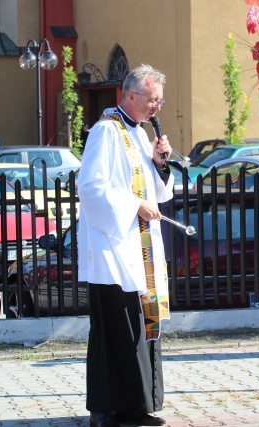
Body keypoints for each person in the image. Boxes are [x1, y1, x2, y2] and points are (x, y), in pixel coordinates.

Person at [77, 63, 173, 427]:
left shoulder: (137, 134)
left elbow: (156, 192)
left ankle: (135, 406)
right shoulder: (106, 131)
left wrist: (160, 164)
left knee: (139, 327)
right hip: (112, 252)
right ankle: (105, 409)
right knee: (114, 330)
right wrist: (135, 205)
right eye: (153, 100)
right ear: (130, 95)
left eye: (160, 101)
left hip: (139, 249)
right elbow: (91, 188)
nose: (157, 108)